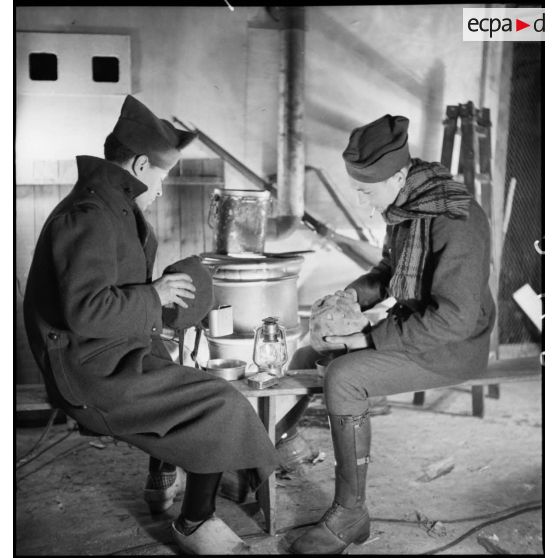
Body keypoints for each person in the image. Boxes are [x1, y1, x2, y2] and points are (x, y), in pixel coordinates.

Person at [23, 95, 280, 555]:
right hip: (90, 372)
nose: (162, 187)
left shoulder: (109, 206)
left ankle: (161, 473)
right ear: (141, 165)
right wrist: (156, 295)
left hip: (111, 352)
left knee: (187, 378)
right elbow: (87, 310)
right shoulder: (89, 217)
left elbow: (113, 295)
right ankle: (194, 522)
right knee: (219, 403)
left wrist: (166, 300)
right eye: (162, 175)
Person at [288, 114, 496, 554]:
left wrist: (365, 339)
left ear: (399, 175)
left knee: (345, 376)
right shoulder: (407, 204)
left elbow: (455, 319)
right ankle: (277, 453)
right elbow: (390, 271)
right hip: (418, 328)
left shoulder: (456, 218)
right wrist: (347, 298)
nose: (363, 202)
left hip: (451, 345)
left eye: (366, 191)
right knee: (310, 353)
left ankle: (351, 516)